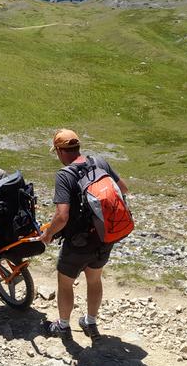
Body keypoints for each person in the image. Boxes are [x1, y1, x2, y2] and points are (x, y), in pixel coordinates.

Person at [40, 128, 129, 340]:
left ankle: (62, 326)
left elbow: (62, 216)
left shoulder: (65, 175)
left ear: (60, 151)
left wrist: (48, 234)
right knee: (94, 278)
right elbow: (123, 189)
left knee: (65, 282)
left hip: (79, 241)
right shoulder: (100, 161)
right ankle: (90, 322)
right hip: (105, 236)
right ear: (77, 147)